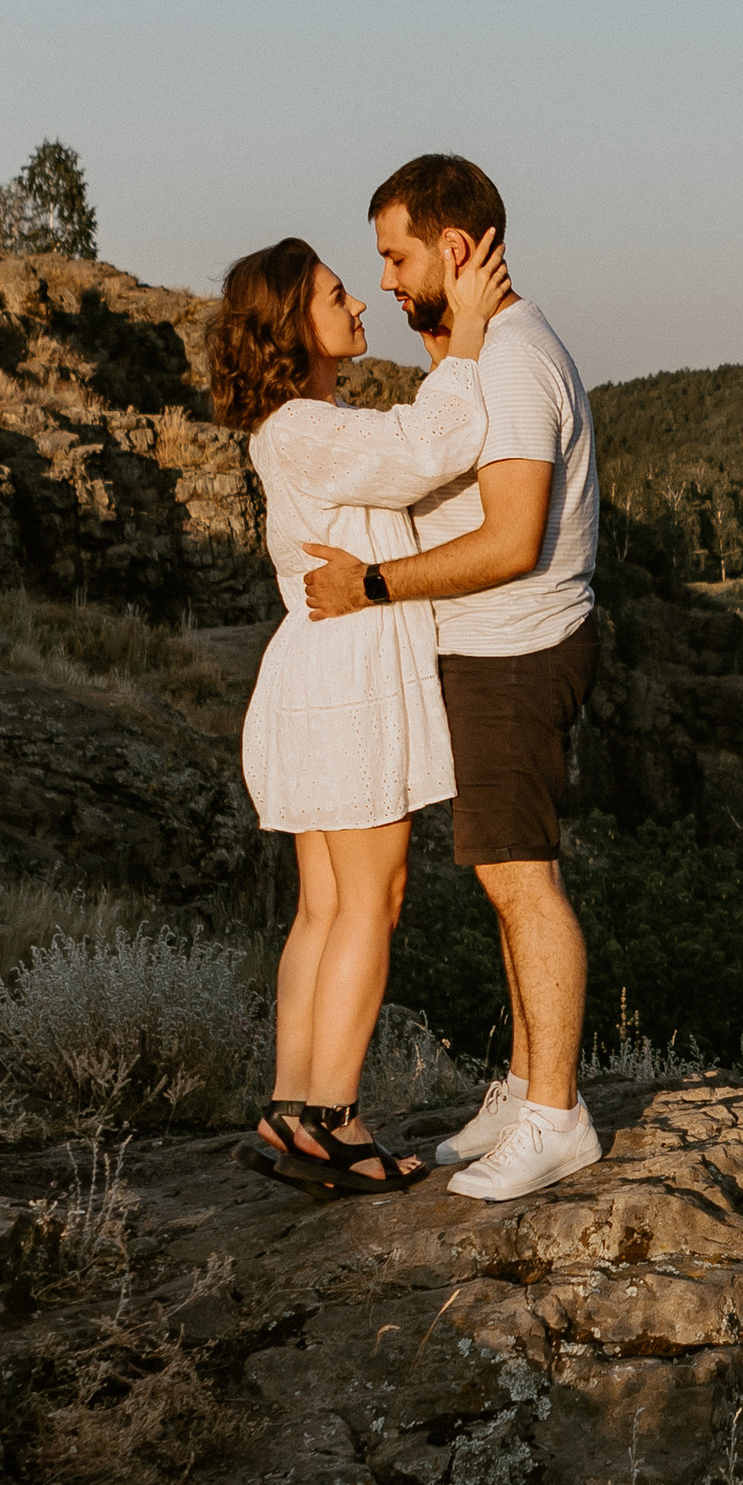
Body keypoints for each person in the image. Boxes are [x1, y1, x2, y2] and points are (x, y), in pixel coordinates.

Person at [302, 151, 600, 1204]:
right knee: (502, 880)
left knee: (525, 883)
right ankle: (526, 1088)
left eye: (395, 255)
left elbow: (513, 539)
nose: (383, 279)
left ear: (456, 247)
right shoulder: (485, 351)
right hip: (488, 652)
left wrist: (376, 584)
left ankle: (558, 1119)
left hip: (515, 651)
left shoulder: (513, 360)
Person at [210, 227, 514, 1194]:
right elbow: (431, 445)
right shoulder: (304, 427)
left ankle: (294, 1107)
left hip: (319, 670)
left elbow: (402, 461)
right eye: (339, 293)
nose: (360, 304)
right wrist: (465, 336)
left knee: (326, 905)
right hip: (347, 677)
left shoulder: (303, 427)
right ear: (293, 324)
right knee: (371, 901)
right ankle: (333, 1119)